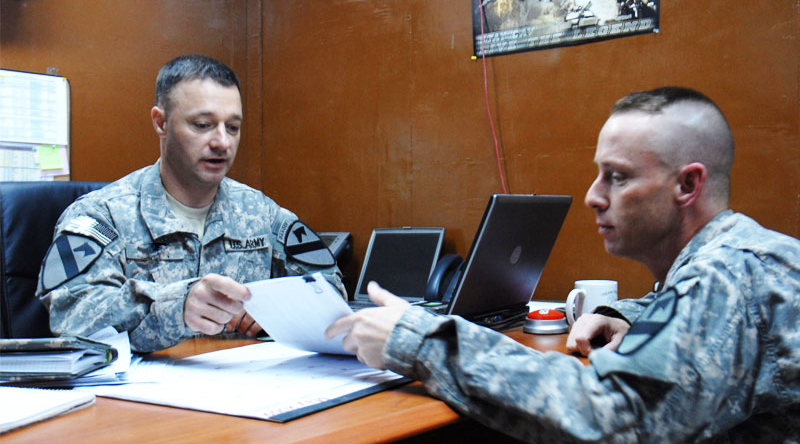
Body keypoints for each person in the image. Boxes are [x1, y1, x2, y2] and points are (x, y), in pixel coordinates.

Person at [326, 87, 800, 442]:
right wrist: (623, 316)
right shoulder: (738, 257)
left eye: (617, 177)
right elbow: (690, 317)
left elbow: (610, 417)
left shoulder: (726, 276)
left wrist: (416, 339)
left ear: (687, 186)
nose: (594, 196)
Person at [38, 54, 344, 353]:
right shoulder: (102, 216)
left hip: (245, 391)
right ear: (161, 122)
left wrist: (278, 308)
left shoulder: (261, 213)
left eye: (233, 127)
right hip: (138, 397)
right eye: (202, 124)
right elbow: (70, 313)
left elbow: (331, 292)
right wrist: (177, 306)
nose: (222, 142)